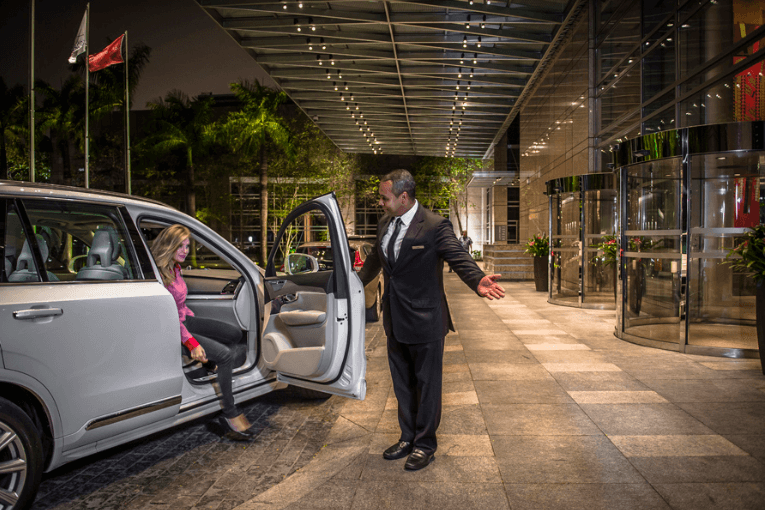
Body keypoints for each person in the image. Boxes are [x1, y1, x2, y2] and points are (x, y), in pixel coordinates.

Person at [358, 169, 505, 471]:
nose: (381, 203)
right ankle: (407, 437)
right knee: (402, 384)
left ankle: (425, 444)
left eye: (385, 198)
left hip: (426, 319)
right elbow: (375, 259)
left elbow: (456, 255)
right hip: (395, 318)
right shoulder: (385, 223)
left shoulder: (435, 225)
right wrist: (355, 285)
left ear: (403, 197)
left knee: (427, 386)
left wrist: (477, 280)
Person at [152, 224, 254, 440]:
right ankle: (229, 413)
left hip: (184, 320)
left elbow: (179, 306)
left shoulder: (175, 268)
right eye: (180, 246)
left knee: (234, 334)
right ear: (168, 245)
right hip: (173, 330)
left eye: (187, 246)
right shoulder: (159, 276)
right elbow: (169, 316)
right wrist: (192, 343)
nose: (185, 250)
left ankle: (209, 365)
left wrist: (193, 322)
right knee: (226, 356)